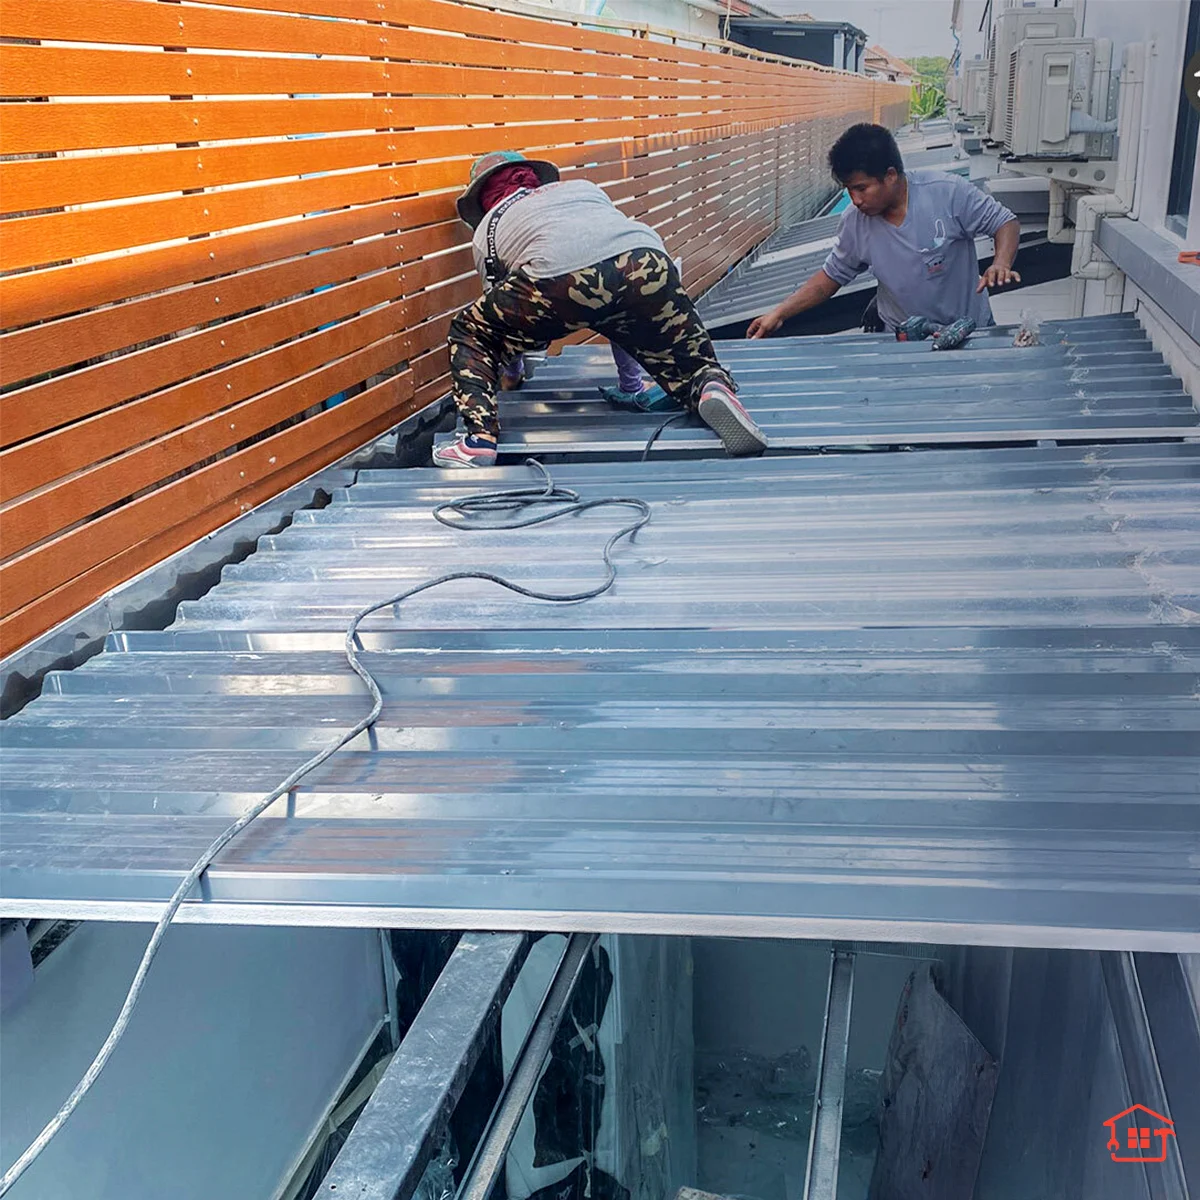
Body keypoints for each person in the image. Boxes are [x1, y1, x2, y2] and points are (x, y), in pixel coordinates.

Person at [434, 150, 766, 467]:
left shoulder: (489, 229)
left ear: (484, 197)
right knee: (668, 346)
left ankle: (478, 440)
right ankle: (709, 386)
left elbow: (504, 322)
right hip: (647, 259)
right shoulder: (581, 189)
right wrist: (630, 386)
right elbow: (609, 270)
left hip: (558, 279)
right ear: (534, 178)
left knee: (470, 331)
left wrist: (512, 376)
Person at [747, 124, 1021, 340]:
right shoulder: (855, 222)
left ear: (890, 175)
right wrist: (779, 313)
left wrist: (1001, 263)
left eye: (861, 188)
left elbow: (1005, 222)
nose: (855, 200)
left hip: (969, 332)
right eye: (848, 190)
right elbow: (830, 277)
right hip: (906, 340)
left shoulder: (948, 193)